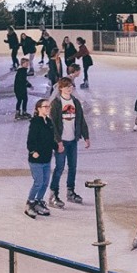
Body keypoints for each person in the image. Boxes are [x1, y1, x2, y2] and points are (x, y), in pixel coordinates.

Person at [49, 77, 89, 205]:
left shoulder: (75, 102)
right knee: (59, 167)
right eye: (67, 87)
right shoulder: (56, 103)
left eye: (71, 86)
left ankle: (70, 191)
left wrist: (86, 136)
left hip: (73, 141)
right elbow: (53, 124)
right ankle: (53, 194)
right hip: (62, 141)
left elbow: (81, 120)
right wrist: (58, 141)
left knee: (73, 167)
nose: (69, 88)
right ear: (60, 88)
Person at [24, 99, 57, 218]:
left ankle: (39, 201)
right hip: (36, 159)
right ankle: (30, 202)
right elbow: (30, 140)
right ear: (38, 109)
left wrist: (57, 146)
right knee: (38, 182)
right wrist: (33, 151)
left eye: (49, 107)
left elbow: (50, 139)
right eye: (45, 106)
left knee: (45, 183)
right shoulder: (35, 122)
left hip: (47, 158)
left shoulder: (48, 121)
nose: (47, 109)